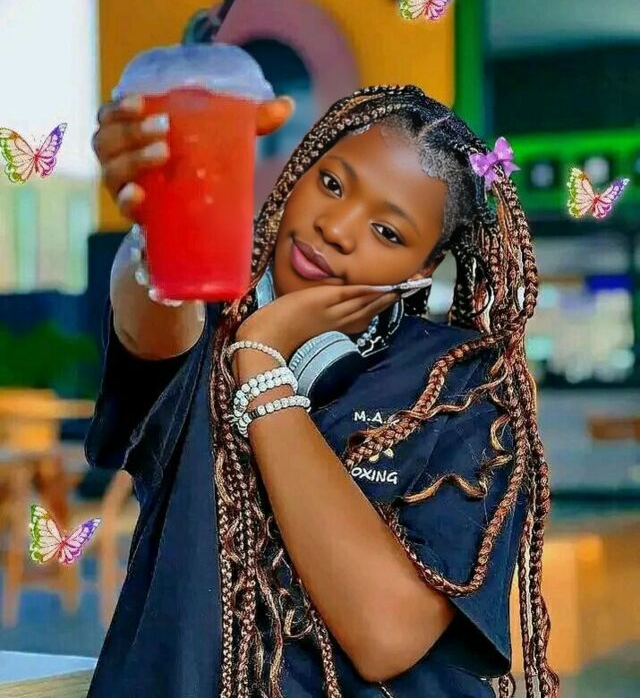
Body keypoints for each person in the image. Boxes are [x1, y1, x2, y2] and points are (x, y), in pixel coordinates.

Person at [86, 84, 559, 698]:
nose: (335, 227)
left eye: (387, 231)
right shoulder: (206, 324)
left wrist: (264, 367)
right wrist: (159, 226)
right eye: (331, 184)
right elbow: (151, 308)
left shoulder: (466, 385)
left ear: (420, 272)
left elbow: (386, 635)